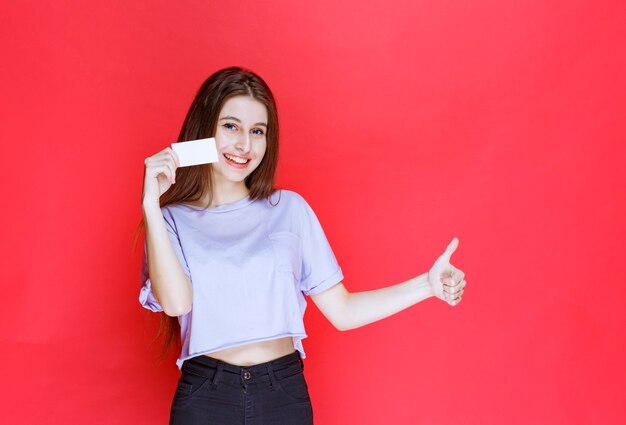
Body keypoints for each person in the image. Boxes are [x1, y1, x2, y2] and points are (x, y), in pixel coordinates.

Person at [137, 66, 467, 425]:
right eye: (230, 126)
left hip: (282, 394)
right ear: (204, 131)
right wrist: (151, 205)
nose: (244, 145)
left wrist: (427, 285)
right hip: (206, 398)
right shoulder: (172, 220)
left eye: (257, 131)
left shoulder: (289, 210)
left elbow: (343, 311)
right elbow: (176, 303)